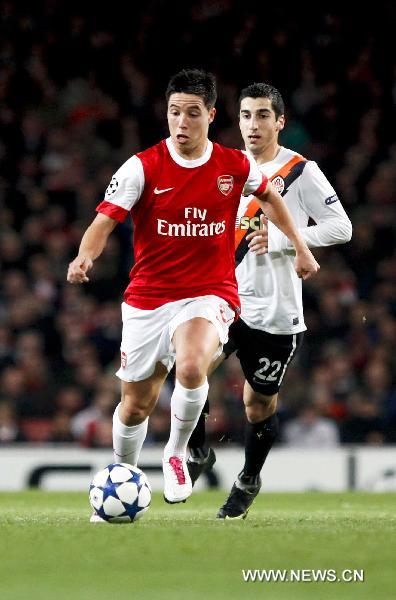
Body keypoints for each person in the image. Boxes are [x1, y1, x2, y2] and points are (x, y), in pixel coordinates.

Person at [67, 70, 319, 515]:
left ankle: (177, 453)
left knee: (190, 364)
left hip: (210, 292)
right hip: (148, 298)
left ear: (210, 115)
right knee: (135, 406)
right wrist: (84, 257)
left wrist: (299, 246)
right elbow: (103, 222)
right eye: (174, 112)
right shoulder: (142, 166)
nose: (181, 122)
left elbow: (271, 198)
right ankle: (122, 476)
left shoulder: (234, 165)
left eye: (192, 113)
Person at [187, 82, 352, 519]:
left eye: (262, 115)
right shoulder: (221, 166)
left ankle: (247, 480)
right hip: (223, 298)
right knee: (189, 368)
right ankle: (199, 449)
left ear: (279, 122)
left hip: (276, 311)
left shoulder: (300, 171)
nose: (253, 125)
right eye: (245, 115)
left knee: (256, 404)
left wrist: (283, 239)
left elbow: (341, 227)